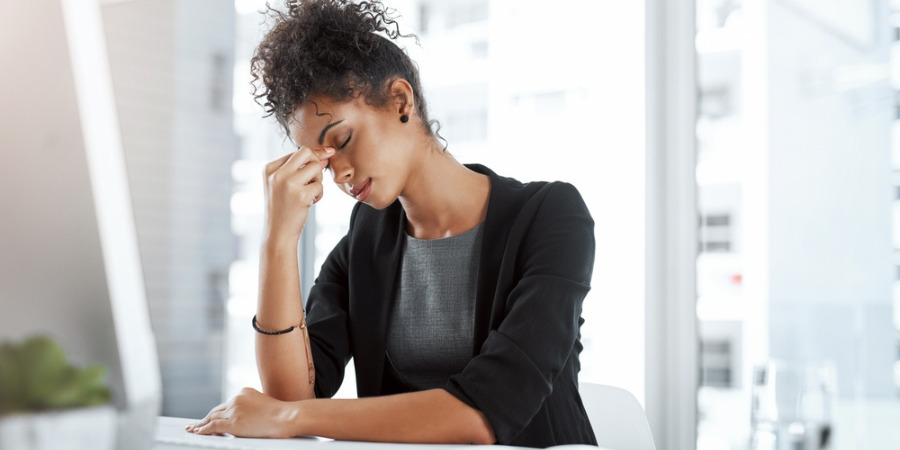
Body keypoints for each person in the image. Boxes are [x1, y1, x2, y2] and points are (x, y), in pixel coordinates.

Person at [187, 0, 596, 446]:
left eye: (341, 140)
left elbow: (485, 415)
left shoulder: (551, 215)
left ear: (400, 100)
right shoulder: (365, 242)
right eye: (323, 164)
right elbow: (292, 394)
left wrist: (290, 418)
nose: (339, 173)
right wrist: (277, 241)